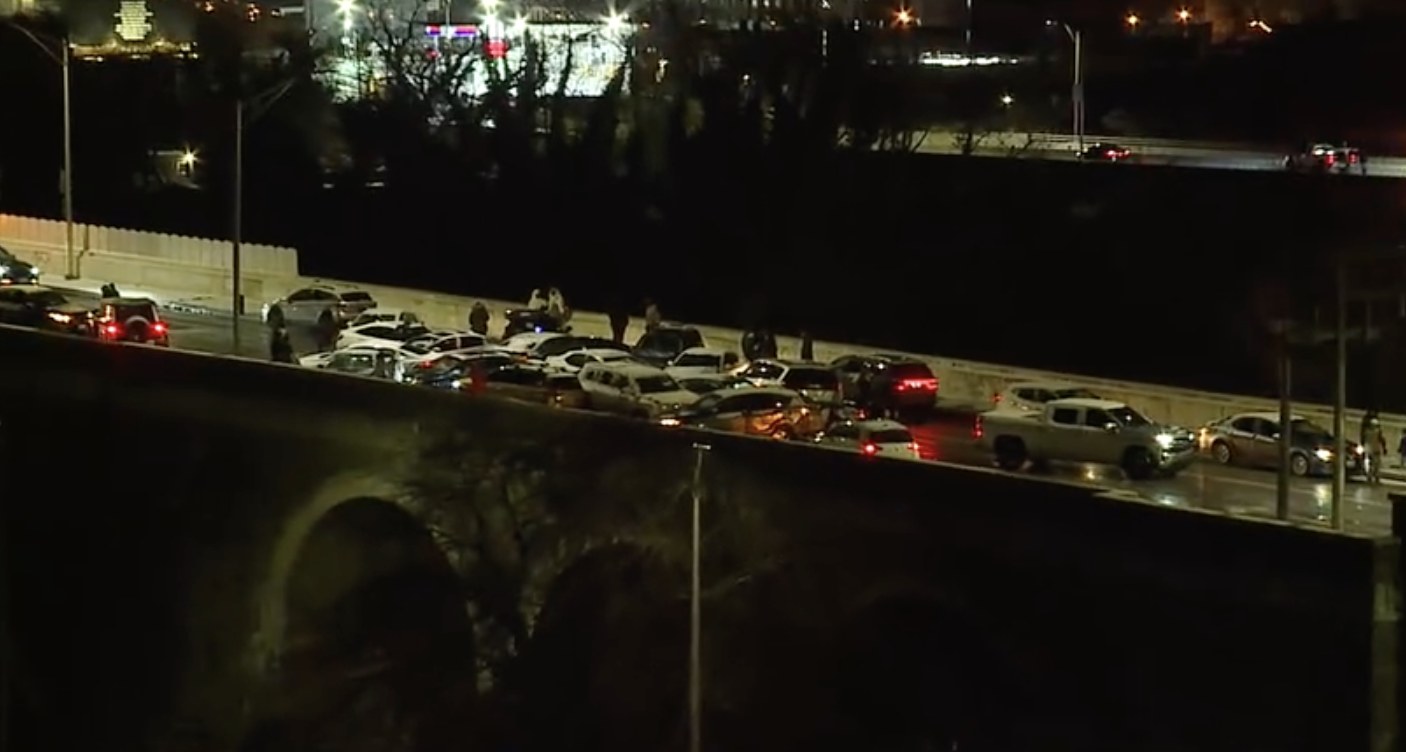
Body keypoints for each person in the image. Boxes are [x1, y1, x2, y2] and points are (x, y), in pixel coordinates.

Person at [1360, 411, 1387, 484]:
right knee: (1376, 464)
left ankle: (1370, 477)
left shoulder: (1366, 431)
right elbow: (1381, 439)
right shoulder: (1377, 431)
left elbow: (1363, 440)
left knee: (1371, 464)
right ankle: (1375, 477)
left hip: (1369, 448)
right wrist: (1384, 448)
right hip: (1375, 448)